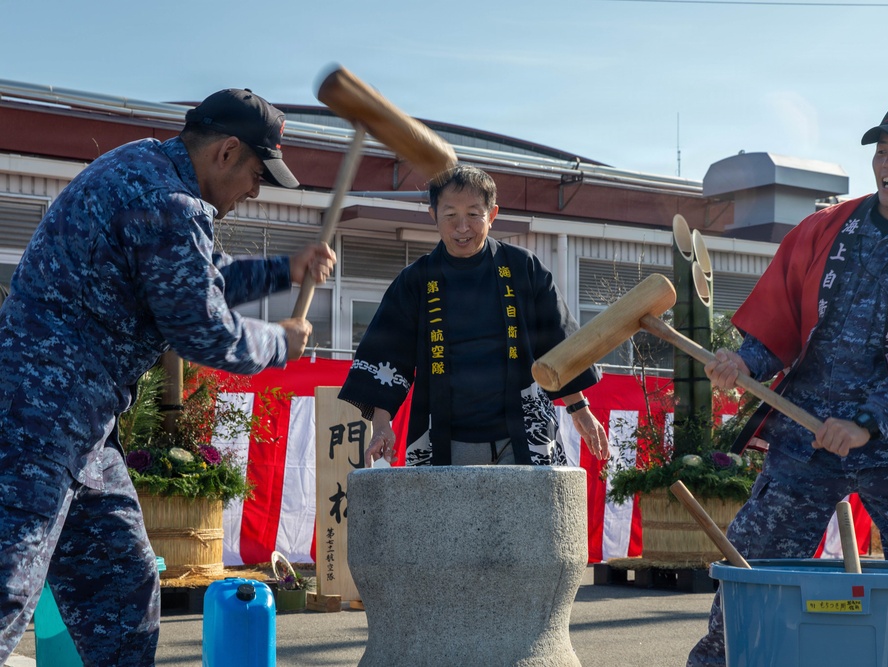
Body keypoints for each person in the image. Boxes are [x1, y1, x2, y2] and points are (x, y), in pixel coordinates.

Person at [0, 88, 335, 665]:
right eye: (258, 174)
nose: (256, 190)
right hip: (36, 417)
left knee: (123, 585)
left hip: (84, 428)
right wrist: (281, 342)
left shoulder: (142, 166)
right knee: (8, 587)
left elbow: (196, 276)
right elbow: (202, 329)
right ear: (227, 152)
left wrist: (286, 270)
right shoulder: (168, 202)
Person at [687, 95, 888, 666]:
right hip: (803, 435)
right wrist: (744, 361)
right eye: (882, 151)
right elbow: (776, 322)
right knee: (754, 572)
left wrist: (864, 422)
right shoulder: (823, 228)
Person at [339, 165, 609, 467]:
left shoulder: (522, 268)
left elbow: (557, 342)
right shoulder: (416, 280)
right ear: (433, 215)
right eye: (450, 215)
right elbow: (387, 353)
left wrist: (580, 409)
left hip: (523, 431)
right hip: (444, 436)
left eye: (473, 215)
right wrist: (381, 425)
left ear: (492, 215)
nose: (462, 227)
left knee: (531, 513)